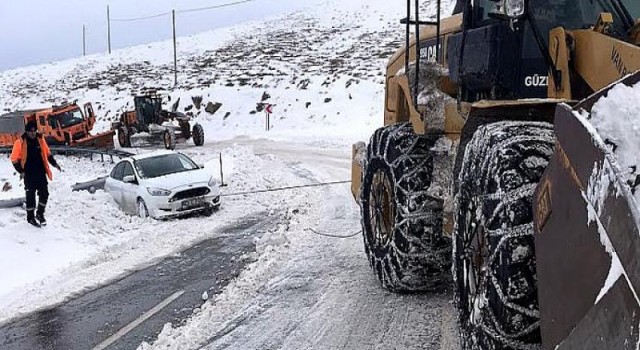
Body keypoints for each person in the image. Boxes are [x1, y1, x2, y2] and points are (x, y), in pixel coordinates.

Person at [10, 119, 61, 227]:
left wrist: (54, 164)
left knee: (44, 194)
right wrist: (21, 171)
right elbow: (14, 159)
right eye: (30, 131)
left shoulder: (40, 139)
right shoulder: (20, 142)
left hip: (40, 172)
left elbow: (47, 153)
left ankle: (40, 214)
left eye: (34, 131)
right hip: (28, 174)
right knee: (30, 196)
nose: (33, 133)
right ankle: (30, 217)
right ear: (27, 131)